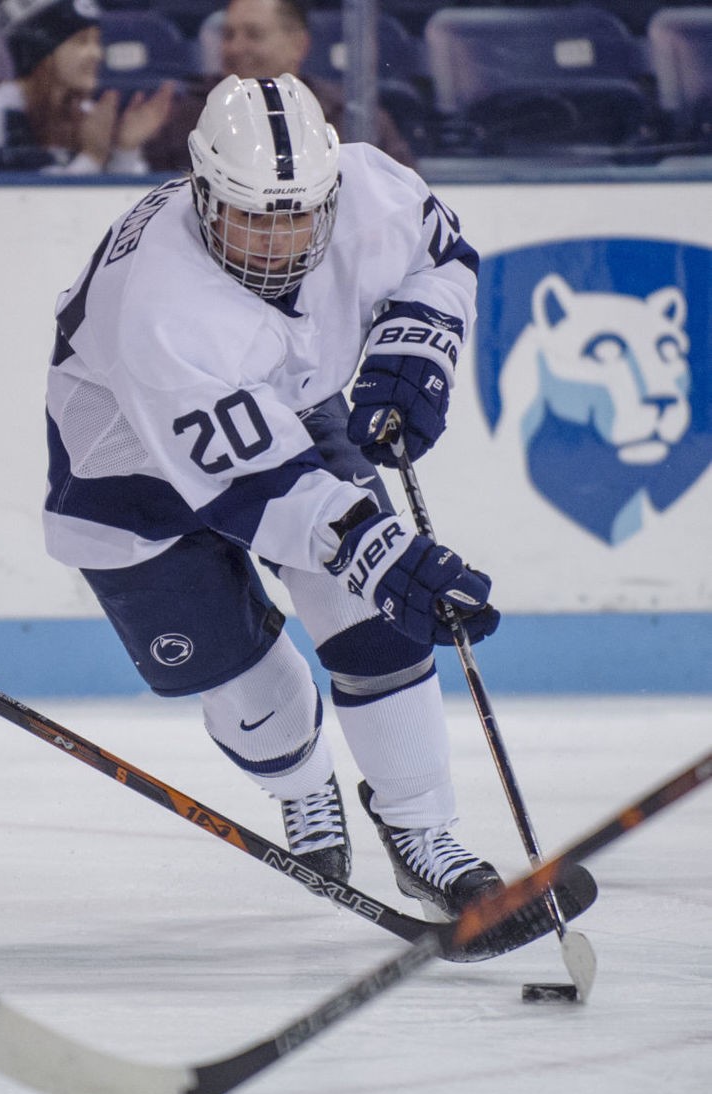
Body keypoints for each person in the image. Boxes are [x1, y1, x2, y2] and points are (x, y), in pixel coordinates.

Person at [40, 73, 514, 919]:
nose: (277, 241)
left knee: (372, 619)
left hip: (290, 408)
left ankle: (422, 831)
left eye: (297, 215)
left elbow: (441, 258)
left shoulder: (370, 186)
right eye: (253, 216)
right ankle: (302, 783)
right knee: (251, 690)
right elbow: (256, 486)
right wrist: (382, 553)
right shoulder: (158, 304)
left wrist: (418, 344)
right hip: (125, 466)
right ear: (201, 191)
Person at [140, 0, 417, 173]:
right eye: (228, 35)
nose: (235, 48)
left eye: (254, 34)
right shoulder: (186, 116)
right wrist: (128, 149)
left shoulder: (350, 117)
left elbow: (403, 194)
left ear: (299, 45)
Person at [0, 0, 175, 174]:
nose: (96, 54)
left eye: (97, 42)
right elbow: (13, 202)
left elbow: (122, 207)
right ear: (43, 52)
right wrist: (93, 157)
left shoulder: (88, 113)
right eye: (81, 42)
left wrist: (125, 149)